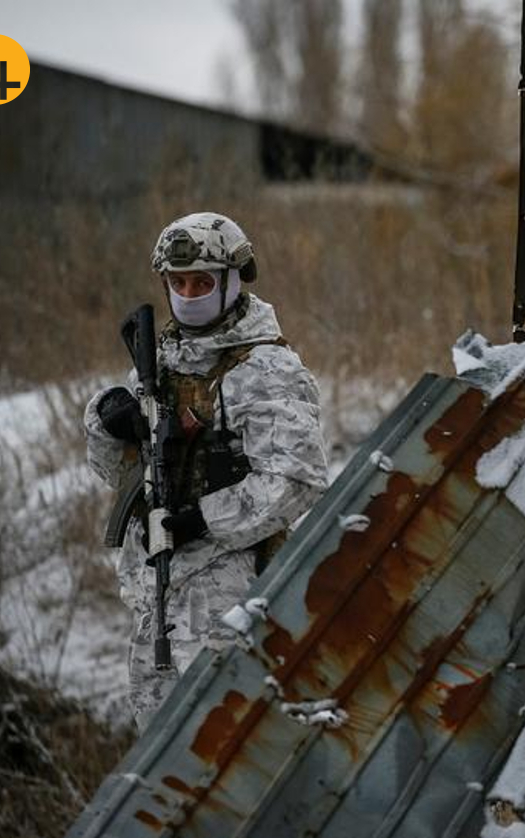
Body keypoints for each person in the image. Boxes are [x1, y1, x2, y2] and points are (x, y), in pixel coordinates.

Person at [83, 212, 328, 730]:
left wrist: (204, 519)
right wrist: (107, 420)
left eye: (202, 283)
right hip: (157, 591)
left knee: (224, 736)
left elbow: (297, 479)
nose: (189, 294)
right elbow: (120, 475)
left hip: (230, 589)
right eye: (178, 283)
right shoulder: (159, 365)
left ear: (232, 281)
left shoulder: (266, 370)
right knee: (159, 750)